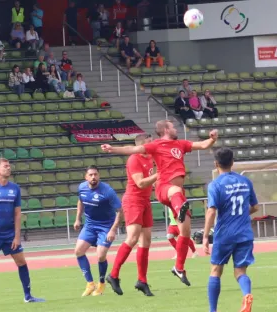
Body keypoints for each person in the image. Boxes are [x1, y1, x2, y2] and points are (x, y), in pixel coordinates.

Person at [101, 120, 218, 286]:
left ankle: (179, 267)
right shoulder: (156, 145)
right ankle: (116, 274)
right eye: (173, 126)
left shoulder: (180, 144)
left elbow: (202, 145)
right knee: (174, 195)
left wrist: (212, 139)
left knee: (185, 230)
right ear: (165, 129)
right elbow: (133, 149)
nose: (176, 128)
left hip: (176, 193)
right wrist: (112, 149)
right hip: (165, 187)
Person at [0, 158, 45, 307]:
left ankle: (28, 296)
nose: (9, 168)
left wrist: (17, 236)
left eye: (9, 166)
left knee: (21, 261)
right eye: (5, 166)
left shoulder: (15, 188)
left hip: (9, 233)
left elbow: (17, 214)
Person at [203, 147, 258, 312]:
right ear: (233, 162)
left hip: (225, 234)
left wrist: (206, 236)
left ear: (216, 164)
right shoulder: (245, 181)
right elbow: (255, 207)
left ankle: (213, 310)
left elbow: (211, 211)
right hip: (244, 233)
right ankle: (246, 295)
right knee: (240, 271)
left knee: (215, 270)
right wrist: (241, 214)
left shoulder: (216, 185)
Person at [106, 134, 158, 297]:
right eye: (148, 144)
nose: (151, 147)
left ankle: (142, 280)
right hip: (134, 200)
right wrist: (160, 174)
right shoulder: (134, 159)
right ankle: (113, 275)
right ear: (142, 145)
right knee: (133, 238)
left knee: (146, 240)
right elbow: (140, 183)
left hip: (145, 201)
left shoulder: (149, 158)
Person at [74, 166, 122, 297]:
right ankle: (90, 284)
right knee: (78, 251)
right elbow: (80, 202)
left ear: (99, 176)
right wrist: (78, 219)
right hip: (90, 225)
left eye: (95, 174)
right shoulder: (82, 188)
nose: (93, 177)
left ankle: (101, 284)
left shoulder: (107, 191)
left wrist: (113, 230)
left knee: (100, 255)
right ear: (86, 177)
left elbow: (120, 211)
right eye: (90, 175)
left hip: (106, 226)